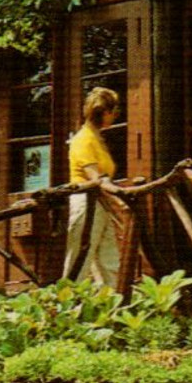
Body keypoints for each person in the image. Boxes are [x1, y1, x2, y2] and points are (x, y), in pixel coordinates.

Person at [64, 86, 123, 285]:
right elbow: (95, 178)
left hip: (102, 204)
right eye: (114, 111)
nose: (115, 116)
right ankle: (66, 304)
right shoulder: (83, 140)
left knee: (109, 257)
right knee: (80, 256)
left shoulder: (98, 139)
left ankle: (111, 306)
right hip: (87, 203)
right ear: (104, 112)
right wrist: (121, 200)